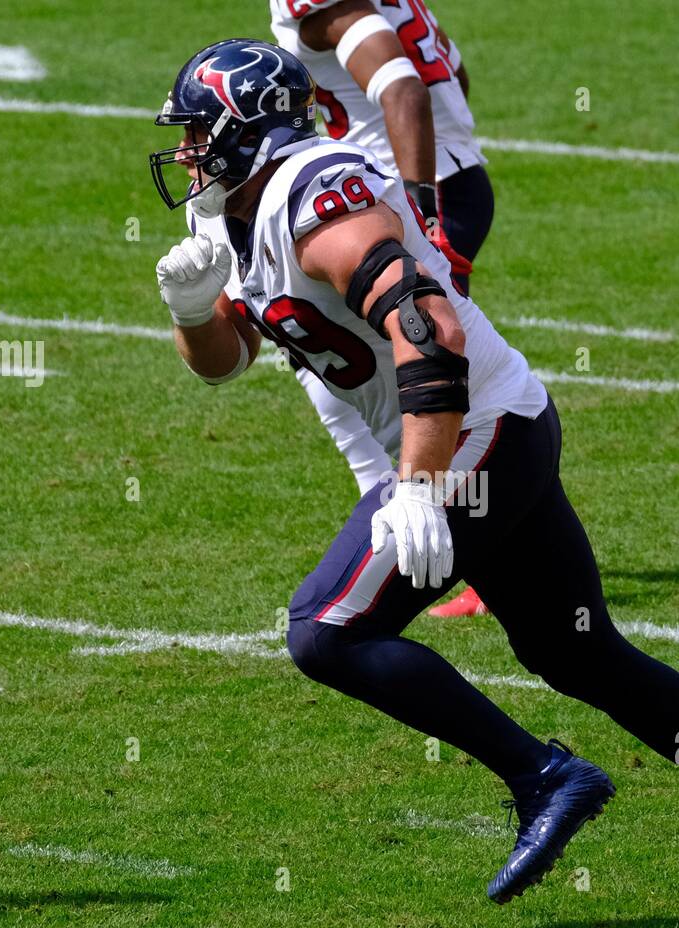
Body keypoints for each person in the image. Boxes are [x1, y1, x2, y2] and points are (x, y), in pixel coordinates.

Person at [150, 39, 679, 902]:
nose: (183, 153)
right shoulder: (224, 214)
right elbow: (225, 359)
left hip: (472, 427)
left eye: (196, 133)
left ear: (245, 131)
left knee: (327, 632)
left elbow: (425, 322)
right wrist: (189, 310)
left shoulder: (314, 196)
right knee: (577, 651)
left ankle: (543, 775)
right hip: (493, 425)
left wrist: (416, 485)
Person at [267, 0, 493, 617]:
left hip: (410, 191)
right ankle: (407, 520)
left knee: (426, 367)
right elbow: (453, 75)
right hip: (444, 179)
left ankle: (455, 541)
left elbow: (403, 89)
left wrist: (420, 207)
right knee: (340, 359)